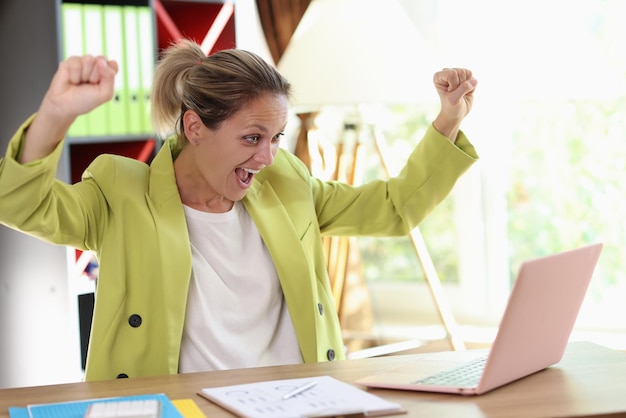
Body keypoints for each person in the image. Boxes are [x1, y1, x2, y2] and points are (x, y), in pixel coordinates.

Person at [0, 39, 478, 382]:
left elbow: (393, 209)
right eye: (251, 138)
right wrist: (56, 115)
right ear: (194, 127)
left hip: (297, 399)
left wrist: (448, 119)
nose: (266, 157)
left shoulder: (284, 185)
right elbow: (20, 202)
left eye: (275, 139)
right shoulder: (121, 193)